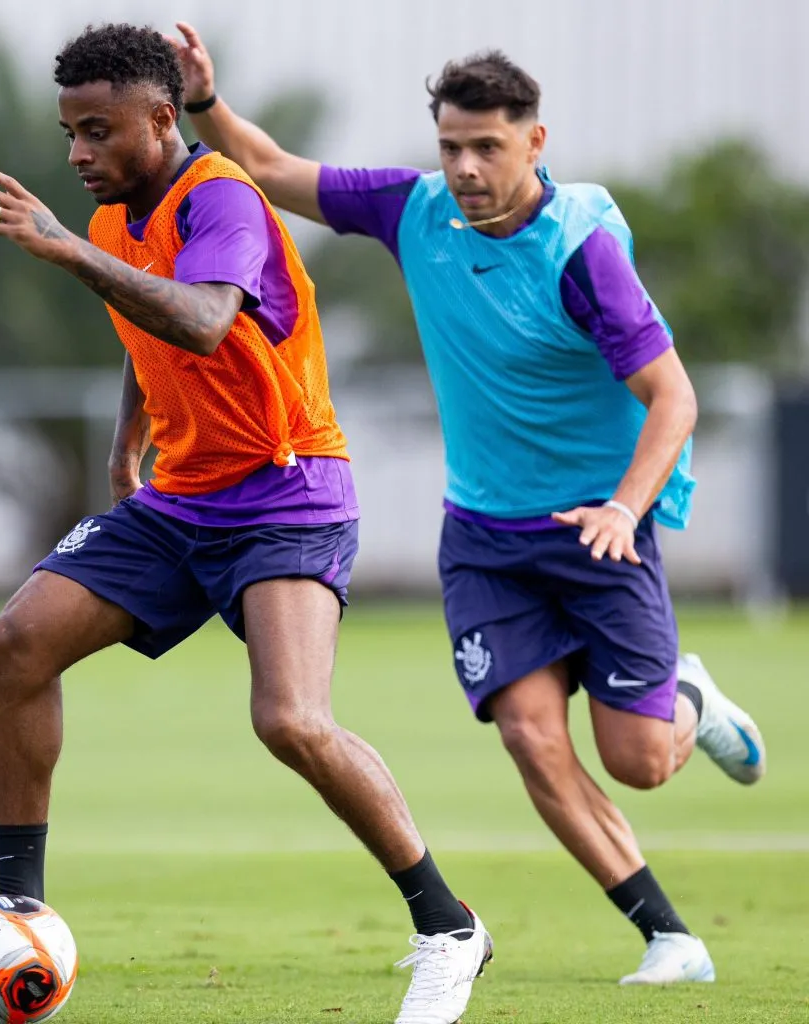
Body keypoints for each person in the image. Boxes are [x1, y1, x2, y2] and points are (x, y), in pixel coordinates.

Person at [0, 23, 493, 1024]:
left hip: (287, 491)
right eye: (69, 131)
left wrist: (64, 252)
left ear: (161, 119)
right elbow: (147, 335)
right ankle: (15, 906)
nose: (78, 152)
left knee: (291, 721)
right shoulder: (121, 215)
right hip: (181, 497)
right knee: (18, 643)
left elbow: (205, 316)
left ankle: (447, 926)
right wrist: (127, 448)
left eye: (97, 131)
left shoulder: (220, 199)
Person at [167, 22, 767, 985]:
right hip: (485, 532)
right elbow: (270, 167)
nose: (466, 166)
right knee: (531, 735)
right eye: (451, 146)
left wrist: (622, 508)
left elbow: (675, 398)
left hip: (596, 529)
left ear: (536, 142)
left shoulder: (581, 255)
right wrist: (204, 103)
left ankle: (689, 695)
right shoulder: (415, 211)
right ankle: (669, 936)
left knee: (641, 761)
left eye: (487, 146)